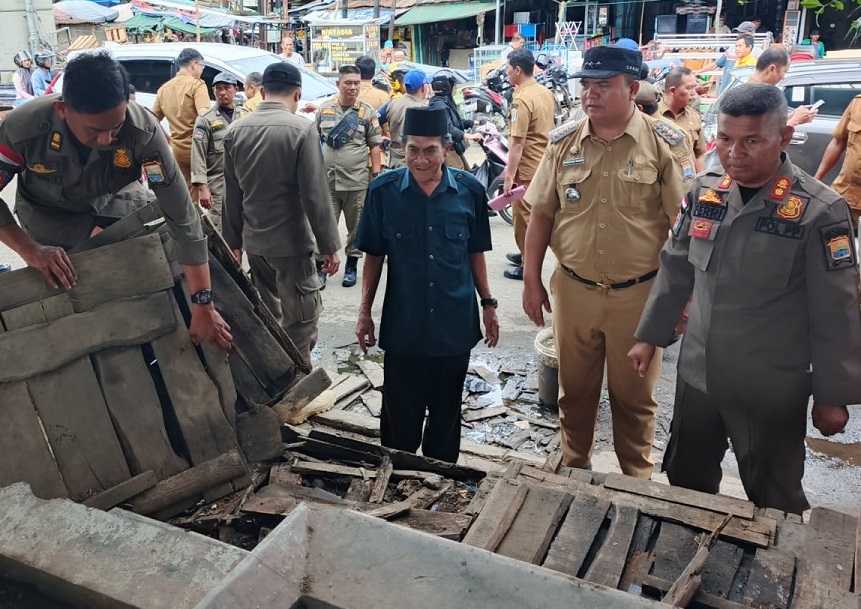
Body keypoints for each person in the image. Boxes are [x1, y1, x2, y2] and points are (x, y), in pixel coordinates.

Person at [628, 84, 861, 514]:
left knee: (774, 495)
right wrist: (649, 336)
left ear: (784, 138)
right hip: (699, 375)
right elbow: (676, 268)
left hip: (770, 386)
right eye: (725, 139)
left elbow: (838, 310)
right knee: (686, 481)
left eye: (752, 140)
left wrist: (832, 394)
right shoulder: (705, 192)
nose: (735, 153)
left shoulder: (818, 210)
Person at [521, 45, 690, 478]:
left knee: (634, 399)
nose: (590, 94)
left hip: (639, 296)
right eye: (586, 85)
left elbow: (683, 227)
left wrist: (682, 301)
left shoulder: (664, 143)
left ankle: (635, 480)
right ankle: (574, 470)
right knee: (573, 393)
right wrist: (531, 281)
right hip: (574, 289)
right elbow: (541, 214)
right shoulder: (564, 143)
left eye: (603, 85)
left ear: (632, 89)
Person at [0, 51, 231, 349]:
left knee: (151, 267)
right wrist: (30, 250)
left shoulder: (142, 131)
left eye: (116, 127)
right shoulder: (23, 129)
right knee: (70, 294)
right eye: (95, 130)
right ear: (62, 110)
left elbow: (182, 215)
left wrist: (203, 303)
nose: (108, 139)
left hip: (116, 202)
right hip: (49, 218)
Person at [354, 106, 498, 463]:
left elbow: (475, 252)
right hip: (405, 327)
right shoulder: (383, 191)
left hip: (454, 324)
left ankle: (440, 483)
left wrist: (489, 304)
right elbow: (373, 256)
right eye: (413, 149)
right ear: (402, 149)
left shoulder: (469, 191)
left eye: (430, 150)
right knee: (399, 417)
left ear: (446, 149)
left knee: (447, 414)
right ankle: (398, 477)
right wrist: (364, 313)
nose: (421, 159)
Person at [223, 62, 340, 366]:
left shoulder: (235, 131)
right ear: (298, 94)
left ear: (262, 92)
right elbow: (315, 194)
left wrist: (232, 241)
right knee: (301, 316)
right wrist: (329, 246)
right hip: (292, 244)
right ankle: (299, 377)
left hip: (255, 244)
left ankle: (273, 371)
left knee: (267, 312)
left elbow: (231, 194)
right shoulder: (301, 130)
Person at [316, 65, 382, 289]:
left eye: (356, 83)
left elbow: (374, 145)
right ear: (338, 84)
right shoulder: (324, 110)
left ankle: (351, 266)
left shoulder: (366, 113)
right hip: (328, 182)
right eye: (348, 83)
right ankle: (321, 268)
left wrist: (376, 174)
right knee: (325, 226)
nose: (353, 87)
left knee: (356, 227)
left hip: (357, 181)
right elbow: (315, 142)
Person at [501, 48, 556, 281]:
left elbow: (517, 143)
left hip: (527, 166)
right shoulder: (544, 92)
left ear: (518, 70)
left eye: (507, 69)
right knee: (533, 214)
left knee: (523, 216)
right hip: (543, 161)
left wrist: (508, 176)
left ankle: (527, 264)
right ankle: (525, 254)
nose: (506, 73)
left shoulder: (521, 99)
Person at [191, 72, 249, 235]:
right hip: (218, 181)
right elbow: (198, 154)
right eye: (218, 89)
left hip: (244, 179)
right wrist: (202, 187)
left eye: (227, 88)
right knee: (219, 226)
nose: (222, 92)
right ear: (213, 91)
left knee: (245, 222)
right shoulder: (205, 119)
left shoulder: (244, 115)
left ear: (235, 89)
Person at [152, 48, 211, 199]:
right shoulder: (197, 85)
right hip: (199, 150)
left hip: (178, 149)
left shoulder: (164, 89)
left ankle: (192, 220)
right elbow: (204, 116)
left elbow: (152, 120)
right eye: (202, 66)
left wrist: (168, 140)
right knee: (208, 191)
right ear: (193, 65)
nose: (202, 70)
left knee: (189, 192)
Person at [815, 92, 861, 228]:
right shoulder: (857, 102)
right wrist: (817, 178)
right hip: (848, 193)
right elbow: (838, 142)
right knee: (834, 243)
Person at [746, 48, 817, 128]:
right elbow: (765, 133)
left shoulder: (752, 91)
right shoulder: (757, 95)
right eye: (785, 71)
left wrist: (794, 114)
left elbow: (770, 123)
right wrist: (795, 120)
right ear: (772, 69)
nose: (783, 77)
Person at [429, 70, 483, 170]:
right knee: (460, 175)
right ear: (447, 87)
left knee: (467, 172)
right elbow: (448, 128)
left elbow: (456, 122)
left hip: (453, 146)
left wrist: (475, 123)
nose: (456, 88)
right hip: (445, 148)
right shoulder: (439, 105)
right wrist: (470, 136)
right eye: (454, 85)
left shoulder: (446, 102)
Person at [658, 68, 705, 176]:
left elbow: (699, 154)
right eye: (689, 88)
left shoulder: (694, 117)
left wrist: (699, 184)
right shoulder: (652, 116)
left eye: (694, 87)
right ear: (673, 90)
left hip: (687, 182)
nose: (694, 93)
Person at [696, 23, 758, 94]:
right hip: (725, 91)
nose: (739, 35)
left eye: (742, 32)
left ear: (752, 33)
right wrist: (699, 71)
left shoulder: (757, 54)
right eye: (739, 32)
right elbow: (716, 64)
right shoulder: (732, 49)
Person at [385, 70, 429, 168]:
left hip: (394, 161)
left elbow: (376, 120)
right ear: (423, 87)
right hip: (415, 161)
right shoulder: (423, 109)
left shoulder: (392, 103)